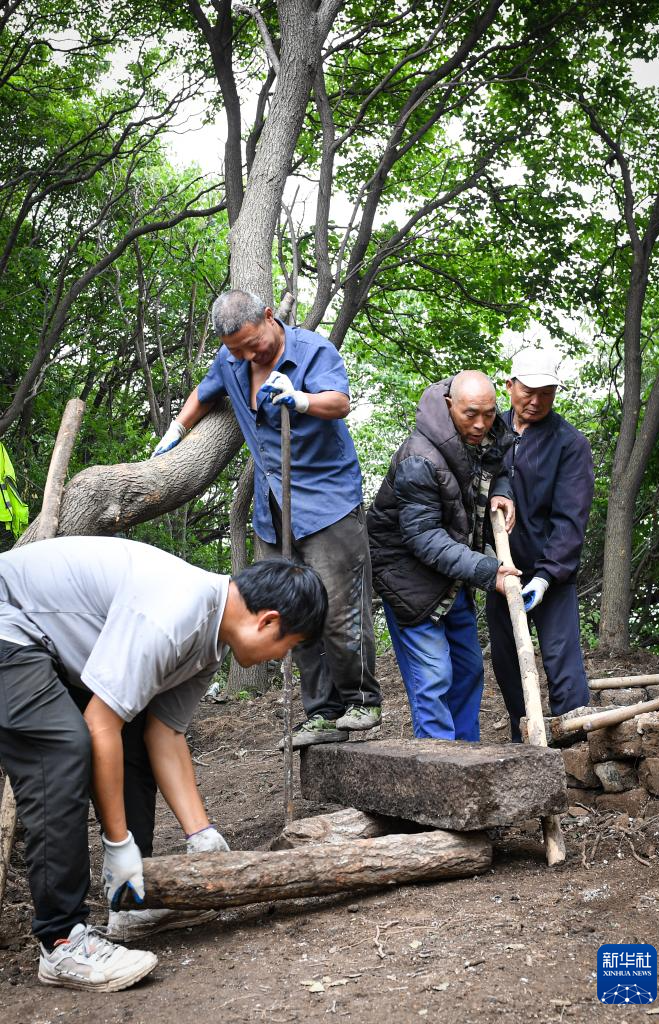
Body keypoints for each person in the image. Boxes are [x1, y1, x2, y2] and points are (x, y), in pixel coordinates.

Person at [0, 537, 326, 991]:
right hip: (10, 621)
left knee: (133, 732)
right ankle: (62, 941)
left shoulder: (210, 639)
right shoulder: (173, 615)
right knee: (62, 747)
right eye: (289, 645)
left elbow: (164, 734)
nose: (282, 656)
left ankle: (128, 902)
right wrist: (118, 844)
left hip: (46, 641)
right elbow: (99, 725)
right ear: (268, 621)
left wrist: (201, 835)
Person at [153, 289, 382, 748]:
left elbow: (339, 401)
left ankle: (362, 702)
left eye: (252, 344)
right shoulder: (231, 360)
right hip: (274, 511)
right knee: (292, 613)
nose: (246, 355)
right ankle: (321, 713)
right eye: (235, 350)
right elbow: (204, 393)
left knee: (339, 609)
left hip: (327, 502)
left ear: (269, 317)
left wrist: (301, 400)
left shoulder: (312, 350)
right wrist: (177, 429)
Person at [367, 371, 519, 740]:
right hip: (408, 580)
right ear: (450, 405)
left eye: (489, 413)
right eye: (471, 414)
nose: (481, 424)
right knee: (434, 678)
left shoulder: (484, 436)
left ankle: (465, 757)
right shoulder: (419, 459)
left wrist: (501, 489)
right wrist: (488, 572)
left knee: (468, 670)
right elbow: (424, 538)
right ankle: (438, 763)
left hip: (452, 575)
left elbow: (496, 465)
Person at [485, 348, 594, 741]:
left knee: (563, 662)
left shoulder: (570, 444)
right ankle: (525, 741)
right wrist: (488, 563)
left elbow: (570, 519)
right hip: (501, 572)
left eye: (546, 393)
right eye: (528, 391)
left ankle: (577, 746)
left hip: (553, 575)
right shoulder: (488, 431)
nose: (536, 401)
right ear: (510, 386)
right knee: (508, 662)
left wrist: (546, 577)